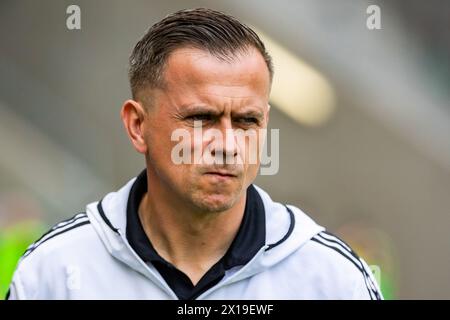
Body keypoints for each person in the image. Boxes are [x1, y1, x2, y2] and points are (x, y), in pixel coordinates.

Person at [6, 8, 382, 300]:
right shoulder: (55, 272)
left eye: (247, 121)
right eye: (202, 118)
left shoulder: (332, 278)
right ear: (138, 125)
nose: (228, 145)